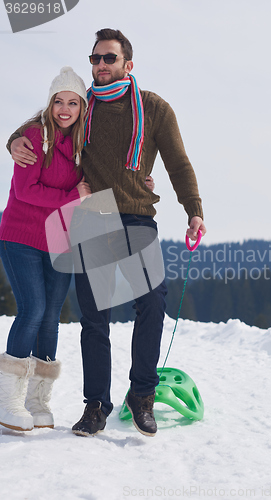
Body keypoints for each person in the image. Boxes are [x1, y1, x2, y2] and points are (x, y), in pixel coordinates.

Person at [8, 28, 206, 438]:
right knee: (94, 316)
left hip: (136, 215)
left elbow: (178, 164)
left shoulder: (154, 109)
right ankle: (95, 404)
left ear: (127, 65)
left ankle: (142, 395)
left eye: (109, 58)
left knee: (152, 303)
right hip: (94, 215)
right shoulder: (84, 108)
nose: (100, 65)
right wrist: (13, 140)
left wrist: (194, 210)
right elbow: (49, 123)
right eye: (95, 58)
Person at [0, 66, 92, 432]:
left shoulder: (85, 143)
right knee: (33, 309)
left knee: (52, 315)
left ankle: (36, 401)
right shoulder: (33, 136)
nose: (65, 109)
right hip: (21, 235)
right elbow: (26, 191)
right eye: (59, 101)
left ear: (83, 107)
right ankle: (8, 401)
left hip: (60, 239)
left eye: (73, 102)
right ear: (50, 103)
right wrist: (72, 196)